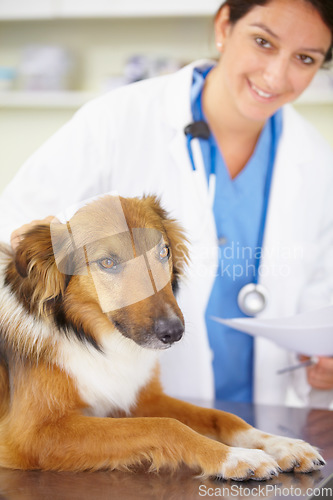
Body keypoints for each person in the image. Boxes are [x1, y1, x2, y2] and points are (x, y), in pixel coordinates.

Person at [1, 0, 333, 408]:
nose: (276, 74)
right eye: (263, 42)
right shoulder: (117, 120)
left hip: (263, 406)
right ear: (225, 26)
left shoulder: (316, 160)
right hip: (129, 407)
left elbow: (321, 292)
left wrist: (324, 360)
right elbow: (12, 228)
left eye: (305, 58)